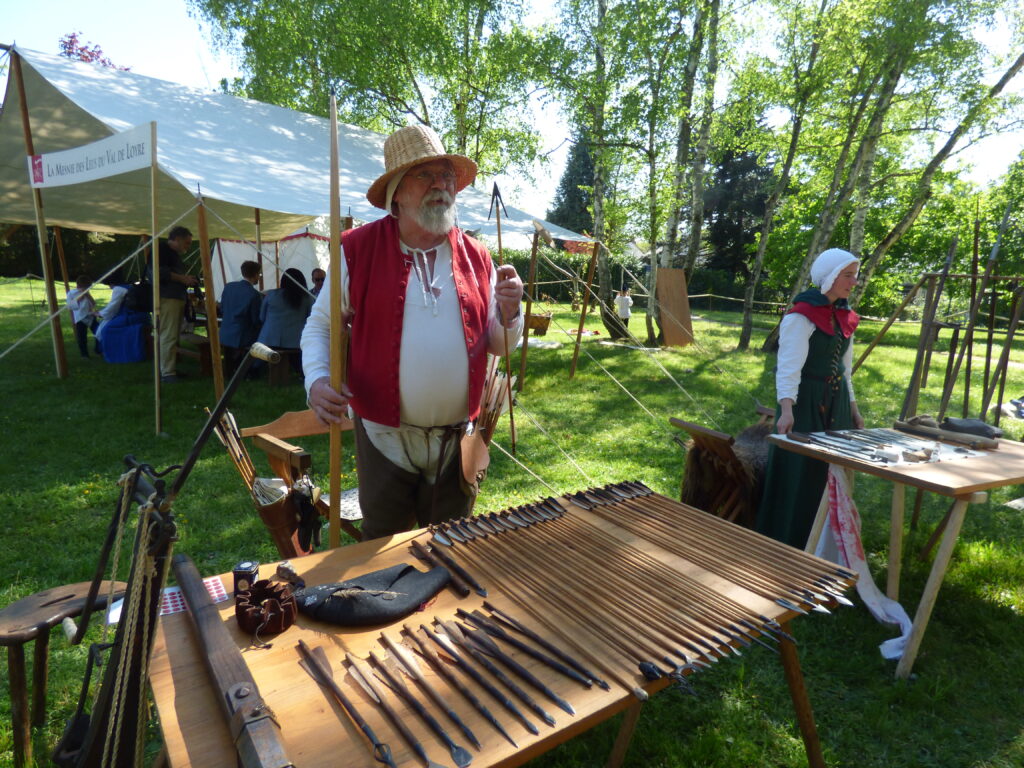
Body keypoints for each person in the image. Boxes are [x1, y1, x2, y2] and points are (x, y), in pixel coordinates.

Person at [302, 124, 525, 540]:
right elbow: (321, 326)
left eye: (446, 177)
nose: (441, 185)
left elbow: (497, 343)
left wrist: (510, 314)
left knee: (452, 548)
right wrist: (316, 380)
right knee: (383, 550)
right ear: (396, 193)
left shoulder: (477, 256)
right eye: (426, 176)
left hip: (456, 440)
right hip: (385, 437)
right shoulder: (357, 249)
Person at [756, 248, 864, 548]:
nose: (853, 282)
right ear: (829, 276)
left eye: (855, 275)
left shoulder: (845, 316)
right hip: (805, 404)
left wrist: (853, 408)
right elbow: (789, 369)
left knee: (832, 473)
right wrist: (787, 410)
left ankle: (827, 546)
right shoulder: (801, 316)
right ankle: (788, 540)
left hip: (837, 403)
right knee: (800, 472)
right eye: (847, 275)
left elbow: (846, 370)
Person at [148, 226, 199, 382]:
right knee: (168, 335)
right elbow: (158, 273)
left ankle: (168, 369)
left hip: (173, 297)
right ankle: (167, 373)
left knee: (170, 335)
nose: (188, 247)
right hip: (168, 298)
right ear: (177, 239)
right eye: (187, 243)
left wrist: (185, 279)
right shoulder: (161, 250)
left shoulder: (170, 253)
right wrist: (183, 279)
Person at [258, 267, 314, 372]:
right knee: (298, 361)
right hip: (295, 341)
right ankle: (301, 372)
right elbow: (310, 319)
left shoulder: (271, 295)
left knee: (258, 359)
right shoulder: (306, 298)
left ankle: (254, 371)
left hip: (269, 339)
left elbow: (261, 317)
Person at [219, 260, 264, 377]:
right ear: (255, 275)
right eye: (259, 274)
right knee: (264, 336)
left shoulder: (229, 287)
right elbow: (255, 320)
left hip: (225, 331)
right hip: (242, 335)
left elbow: (222, 309)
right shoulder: (254, 294)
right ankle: (252, 369)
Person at [66, 275, 100, 358]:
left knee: (99, 332)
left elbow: (93, 303)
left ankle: (98, 350)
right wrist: (81, 295)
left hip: (90, 316)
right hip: (80, 318)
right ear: (78, 286)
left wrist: (87, 295)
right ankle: (84, 354)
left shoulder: (87, 292)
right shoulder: (71, 293)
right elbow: (70, 306)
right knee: (82, 337)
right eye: (84, 288)